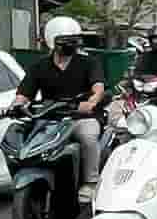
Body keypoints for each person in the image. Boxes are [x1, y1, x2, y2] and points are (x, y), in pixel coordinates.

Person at [17, 14, 107, 182]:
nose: (70, 45)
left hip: (81, 118)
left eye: (74, 40)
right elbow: (24, 93)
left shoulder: (89, 63)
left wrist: (91, 102)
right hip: (50, 120)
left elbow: (98, 88)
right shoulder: (39, 66)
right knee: (27, 141)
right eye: (65, 41)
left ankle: (91, 182)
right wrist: (15, 105)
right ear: (52, 41)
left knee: (88, 138)